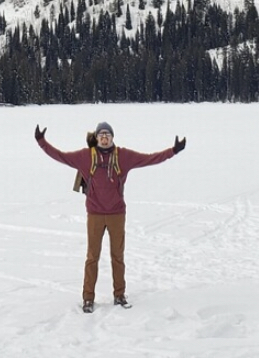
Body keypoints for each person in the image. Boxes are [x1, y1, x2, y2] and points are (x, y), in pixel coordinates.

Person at [34, 119, 186, 312]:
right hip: (95, 214)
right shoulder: (85, 157)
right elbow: (60, 156)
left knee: (117, 257)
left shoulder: (124, 156)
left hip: (116, 214)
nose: (104, 138)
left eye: (108, 135)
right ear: (96, 138)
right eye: (101, 135)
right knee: (92, 257)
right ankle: (88, 298)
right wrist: (41, 141)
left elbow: (150, 159)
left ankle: (119, 295)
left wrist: (173, 151)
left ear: (112, 137)